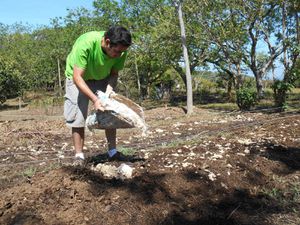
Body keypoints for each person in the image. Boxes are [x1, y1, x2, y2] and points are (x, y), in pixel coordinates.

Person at [63, 26, 132, 165]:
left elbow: (114, 74)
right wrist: (95, 99)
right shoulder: (86, 43)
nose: (119, 55)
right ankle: (79, 156)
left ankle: (112, 153)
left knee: (109, 112)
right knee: (78, 115)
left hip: (102, 76)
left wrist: (108, 93)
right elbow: (77, 77)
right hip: (78, 77)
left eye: (122, 52)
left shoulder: (121, 51)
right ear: (107, 42)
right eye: (116, 51)